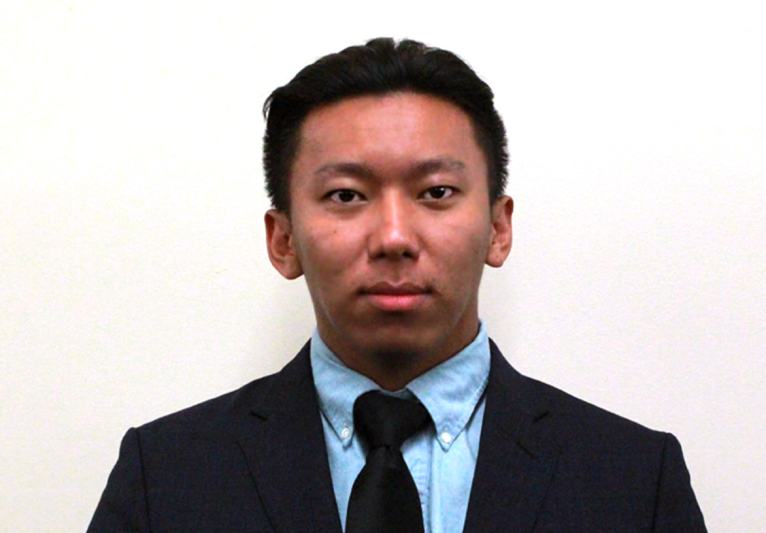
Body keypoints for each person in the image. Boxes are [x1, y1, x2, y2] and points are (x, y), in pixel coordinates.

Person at [89, 37, 706, 532]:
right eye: (346, 195)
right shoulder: (165, 476)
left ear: (498, 228)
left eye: (436, 192)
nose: (393, 236)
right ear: (284, 240)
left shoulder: (633, 479)